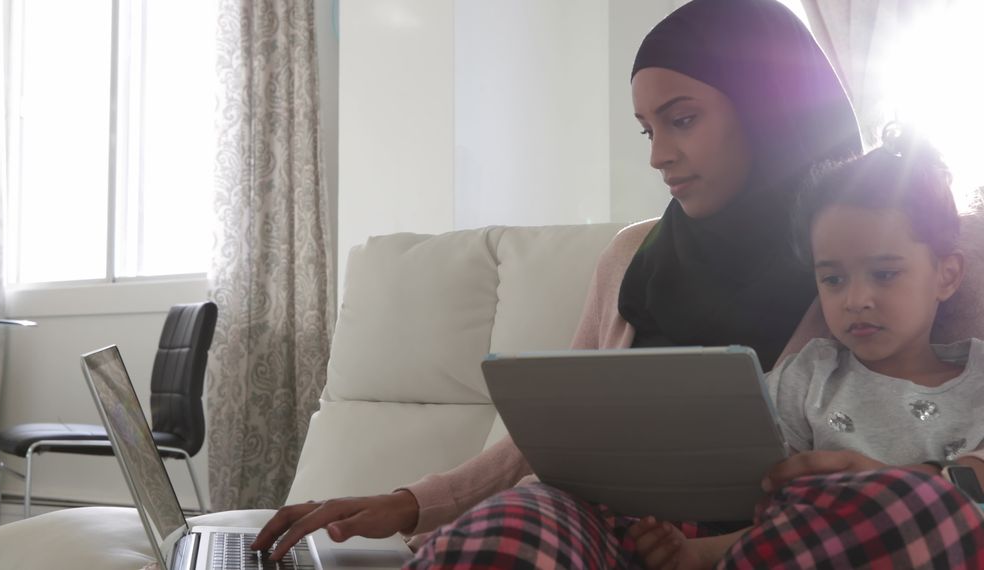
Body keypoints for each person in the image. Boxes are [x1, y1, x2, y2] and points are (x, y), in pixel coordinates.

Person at [253, 0, 984, 566]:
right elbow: (548, 441)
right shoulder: (633, 254)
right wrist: (408, 503)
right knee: (516, 526)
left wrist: (901, 483)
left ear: (769, 108)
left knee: (908, 510)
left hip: (777, 541)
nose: (661, 155)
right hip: (611, 529)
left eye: (684, 119)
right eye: (647, 130)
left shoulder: (883, 250)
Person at [630, 132, 984, 569]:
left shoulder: (979, 380)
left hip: (934, 544)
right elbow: (774, 517)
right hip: (794, 554)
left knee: (920, 505)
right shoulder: (810, 375)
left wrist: (887, 489)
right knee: (558, 505)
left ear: (947, 275)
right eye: (833, 280)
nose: (855, 299)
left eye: (885, 274)